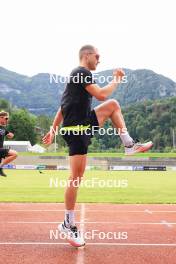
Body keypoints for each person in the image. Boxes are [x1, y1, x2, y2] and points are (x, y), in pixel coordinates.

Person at [43, 45, 153, 247]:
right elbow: (101, 94)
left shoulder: (75, 79)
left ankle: (129, 144)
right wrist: (117, 79)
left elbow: (62, 107)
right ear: (86, 56)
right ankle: (67, 224)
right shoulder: (81, 72)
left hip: (82, 124)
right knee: (75, 178)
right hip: (77, 129)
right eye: (97, 56)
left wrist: (53, 129)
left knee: (113, 105)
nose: (99, 59)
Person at [0, 111, 18, 177]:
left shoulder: (3, 128)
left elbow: (10, 135)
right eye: (6, 118)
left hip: (1, 150)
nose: (7, 120)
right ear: (1, 118)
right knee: (15, 154)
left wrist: (10, 134)